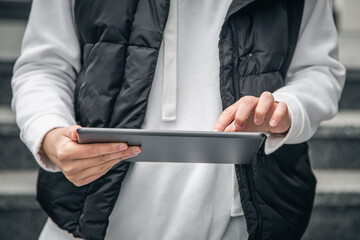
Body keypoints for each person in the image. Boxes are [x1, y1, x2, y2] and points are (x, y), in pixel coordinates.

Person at [11, 0, 345, 239]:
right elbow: (44, 66)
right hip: (90, 216)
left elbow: (318, 69)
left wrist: (285, 110)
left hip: (242, 220)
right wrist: (50, 133)